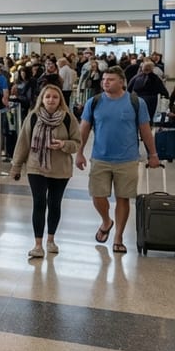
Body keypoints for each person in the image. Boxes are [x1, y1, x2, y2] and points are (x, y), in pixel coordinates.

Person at [75, 66, 162, 254]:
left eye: (111, 79)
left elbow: (145, 131)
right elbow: (84, 129)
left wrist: (153, 154)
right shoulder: (94, 102)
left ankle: (118, 237)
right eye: (104, 79)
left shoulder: (136, 102)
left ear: (122, 82)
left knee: (123, 198)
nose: (105, 82)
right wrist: (79, 152)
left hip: (127, 159)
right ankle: (106, 221)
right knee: (97, 195)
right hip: (100, 157)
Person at [11, 84, 81, 259]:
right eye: (47, 96)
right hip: (36, 167)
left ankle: (51, 239)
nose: (51, 100)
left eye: (55, 97)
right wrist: (16, 166)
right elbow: (23, 142)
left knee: (54, 203)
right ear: (42, 99)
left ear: (60, 100)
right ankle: (37, 244)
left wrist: (63, 144)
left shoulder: (68, 118)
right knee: (39, 203)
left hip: (60, 168)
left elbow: (77, 143)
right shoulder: (33, 117)